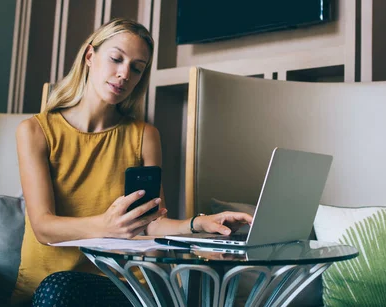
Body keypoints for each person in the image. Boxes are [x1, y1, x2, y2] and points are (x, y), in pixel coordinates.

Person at [13, 18, 253, 306]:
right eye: (116, 59)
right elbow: (43, 227)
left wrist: (199, 223)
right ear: (90, 56)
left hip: (120, 285)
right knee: (59, 289)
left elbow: (151, 224)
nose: (124, 74)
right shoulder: (35, 131)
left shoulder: (144, 135)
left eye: (136, 68)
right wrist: (107, 225)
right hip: (50, 289)